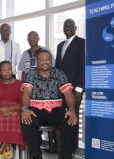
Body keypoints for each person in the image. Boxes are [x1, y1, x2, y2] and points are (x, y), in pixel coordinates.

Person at [21, 50, 77, 159]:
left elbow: (68, 93)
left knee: (71, 121)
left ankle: (66, 156)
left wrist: (71, 109)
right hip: (36, 110)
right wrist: (25, 109)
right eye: (41, 60)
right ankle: (36, 155)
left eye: (47, 59)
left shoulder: (59, 74)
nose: (44, 62)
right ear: (37, 61)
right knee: (26, 122)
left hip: (56, 110)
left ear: (51, 61)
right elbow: (26, 92)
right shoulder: (31, 74)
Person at [55, 18, 85, 151]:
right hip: (60, 90)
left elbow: (83, 67)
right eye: (65, 26)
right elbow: (57, 68)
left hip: (74, 90)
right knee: (62, 118)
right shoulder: (60, 45)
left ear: (75, 28)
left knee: (73, 117)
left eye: (70, 26)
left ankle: (72, 149)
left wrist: (79, 89)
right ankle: (62, 147)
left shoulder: (81, 43)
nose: (67, 28)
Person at [0, 61, 25, 159]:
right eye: (4, 70)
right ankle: (7, 146)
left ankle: (1, 148)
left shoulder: (20, 84)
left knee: (14, 119)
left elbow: (23, 103)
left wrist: (8, 109)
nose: (7, 72)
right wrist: (2, 110)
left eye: (9, 69)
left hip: (15, 109)